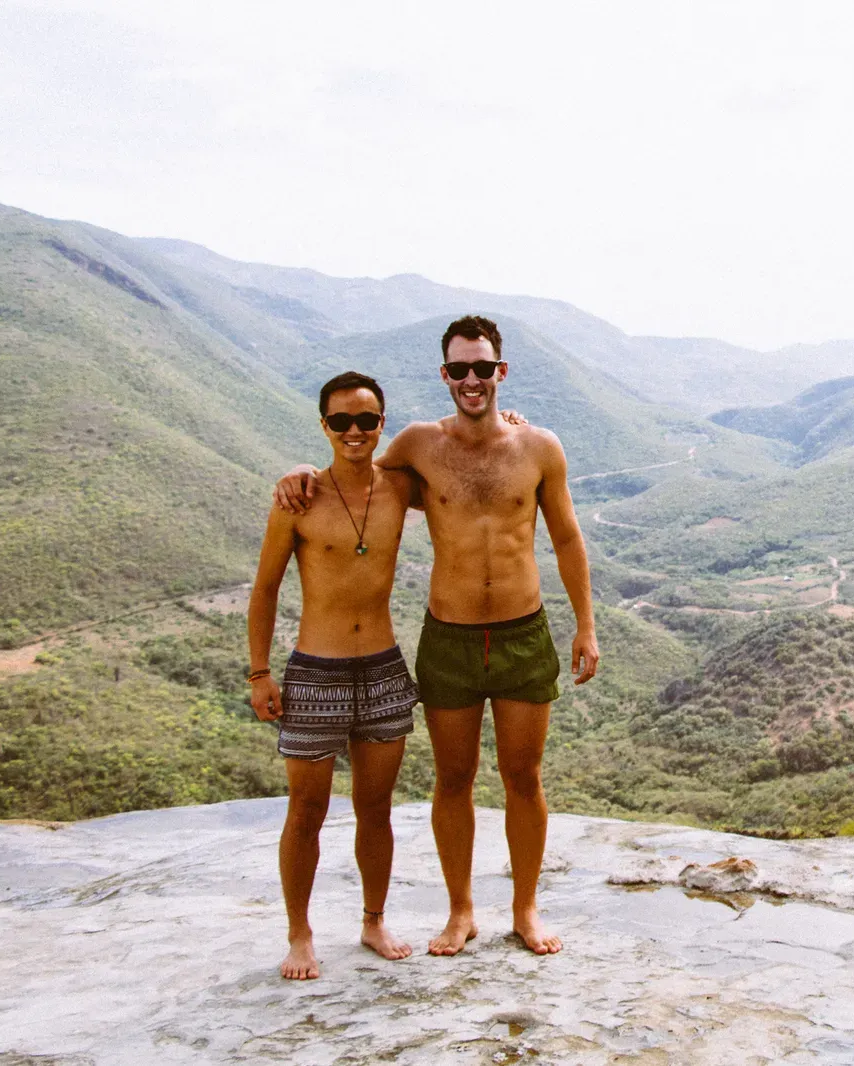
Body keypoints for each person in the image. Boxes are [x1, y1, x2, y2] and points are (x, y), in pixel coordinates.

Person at [274, 315, 599, 957]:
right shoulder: (420, 445)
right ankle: (460, 912)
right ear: (444, 376)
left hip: (521, 631)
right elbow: (356, 469)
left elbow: (565, 536)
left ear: (500, 372)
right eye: (459, 369)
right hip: (448, 637)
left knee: (523, 777)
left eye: (483, 368)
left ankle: (526, 909)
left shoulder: (540, 448)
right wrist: (300, 470)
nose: (472, 380)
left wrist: (586, 624)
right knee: (452, 778)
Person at [248, 371, 419, 981]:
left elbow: (466, 468)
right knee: (306, 810)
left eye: (366, 421)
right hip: (314, 670)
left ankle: (373, 921)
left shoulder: (400, 487)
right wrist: (260, 673)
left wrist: (511, 424)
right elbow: (265, 589)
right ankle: (299, 935)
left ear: (381, 424)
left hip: (383, 667)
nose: (354, 432)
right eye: (341, 421)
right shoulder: (298, 498)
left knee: (377, 807)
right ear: (324, 425)